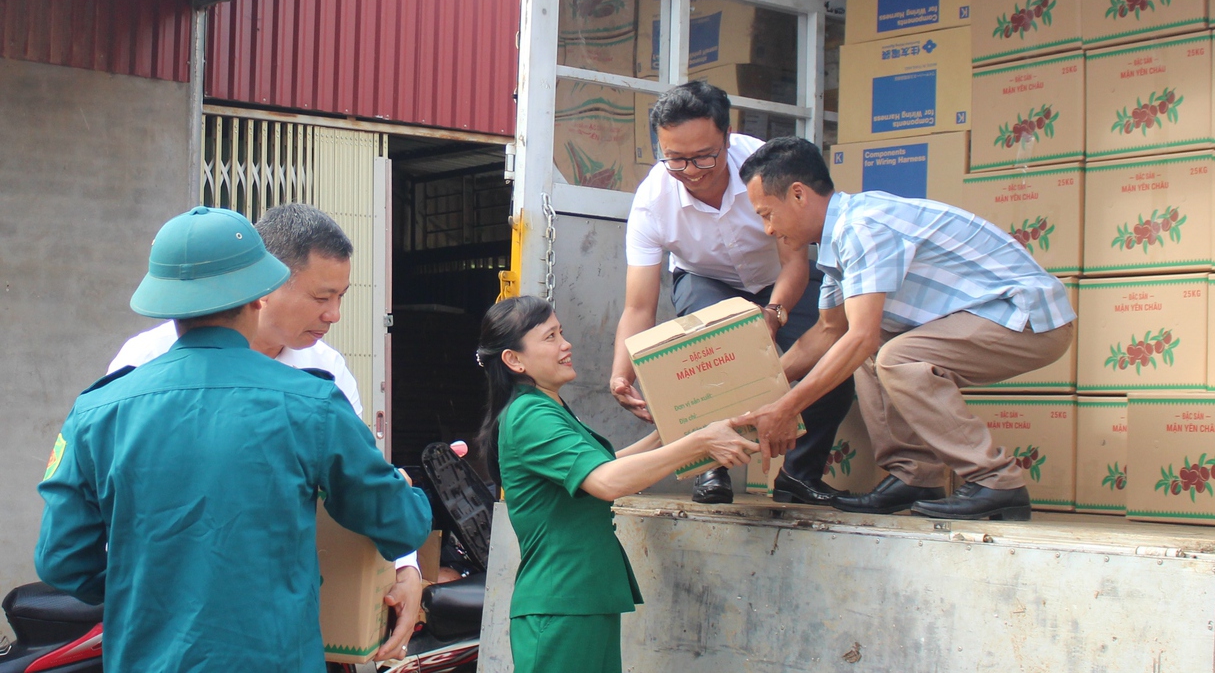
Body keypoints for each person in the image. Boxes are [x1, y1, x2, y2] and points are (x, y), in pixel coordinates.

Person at [34, 206, 433, 670]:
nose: (333, 314)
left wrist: (151, 586)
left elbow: (61, 558)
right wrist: (409, 499)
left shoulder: (98, 407)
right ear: (259, 292)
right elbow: (395, 519)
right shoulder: (313, 402)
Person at [734, 137, 1077, 521]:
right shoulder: (837, 243)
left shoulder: (861, 228)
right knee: (872, 348)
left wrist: (786, 408)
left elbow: (859, 337)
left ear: (798, 195)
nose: (767, 229)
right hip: (994, 316)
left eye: (767, 214)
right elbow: (828, 333)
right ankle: (914, 474)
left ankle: (996, 482)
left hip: (1027, 317)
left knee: (892, 354)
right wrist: (752, 395)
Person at [477, 296, 757, 673]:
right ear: (514, 360)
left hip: (580, 601)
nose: (566, 344)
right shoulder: (530, 415)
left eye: (562, 332)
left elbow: (605, 468)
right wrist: (700, 442)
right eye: (550, 337)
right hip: (562, 605)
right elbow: (607, 482)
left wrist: (675, 430)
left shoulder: (545, 407)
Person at [610, 81, 854, 506]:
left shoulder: (764, 170)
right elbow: (638, 304)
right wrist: (621, 372)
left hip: (777, 280)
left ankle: (799, 475)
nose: (693, 171)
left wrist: (774, 313)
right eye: (677, 160)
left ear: (727, 136)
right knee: (712, 353)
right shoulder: (652, 201)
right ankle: (709, 466)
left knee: (835, 362)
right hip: (706, 279)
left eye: (705, 155)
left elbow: (795, 263)